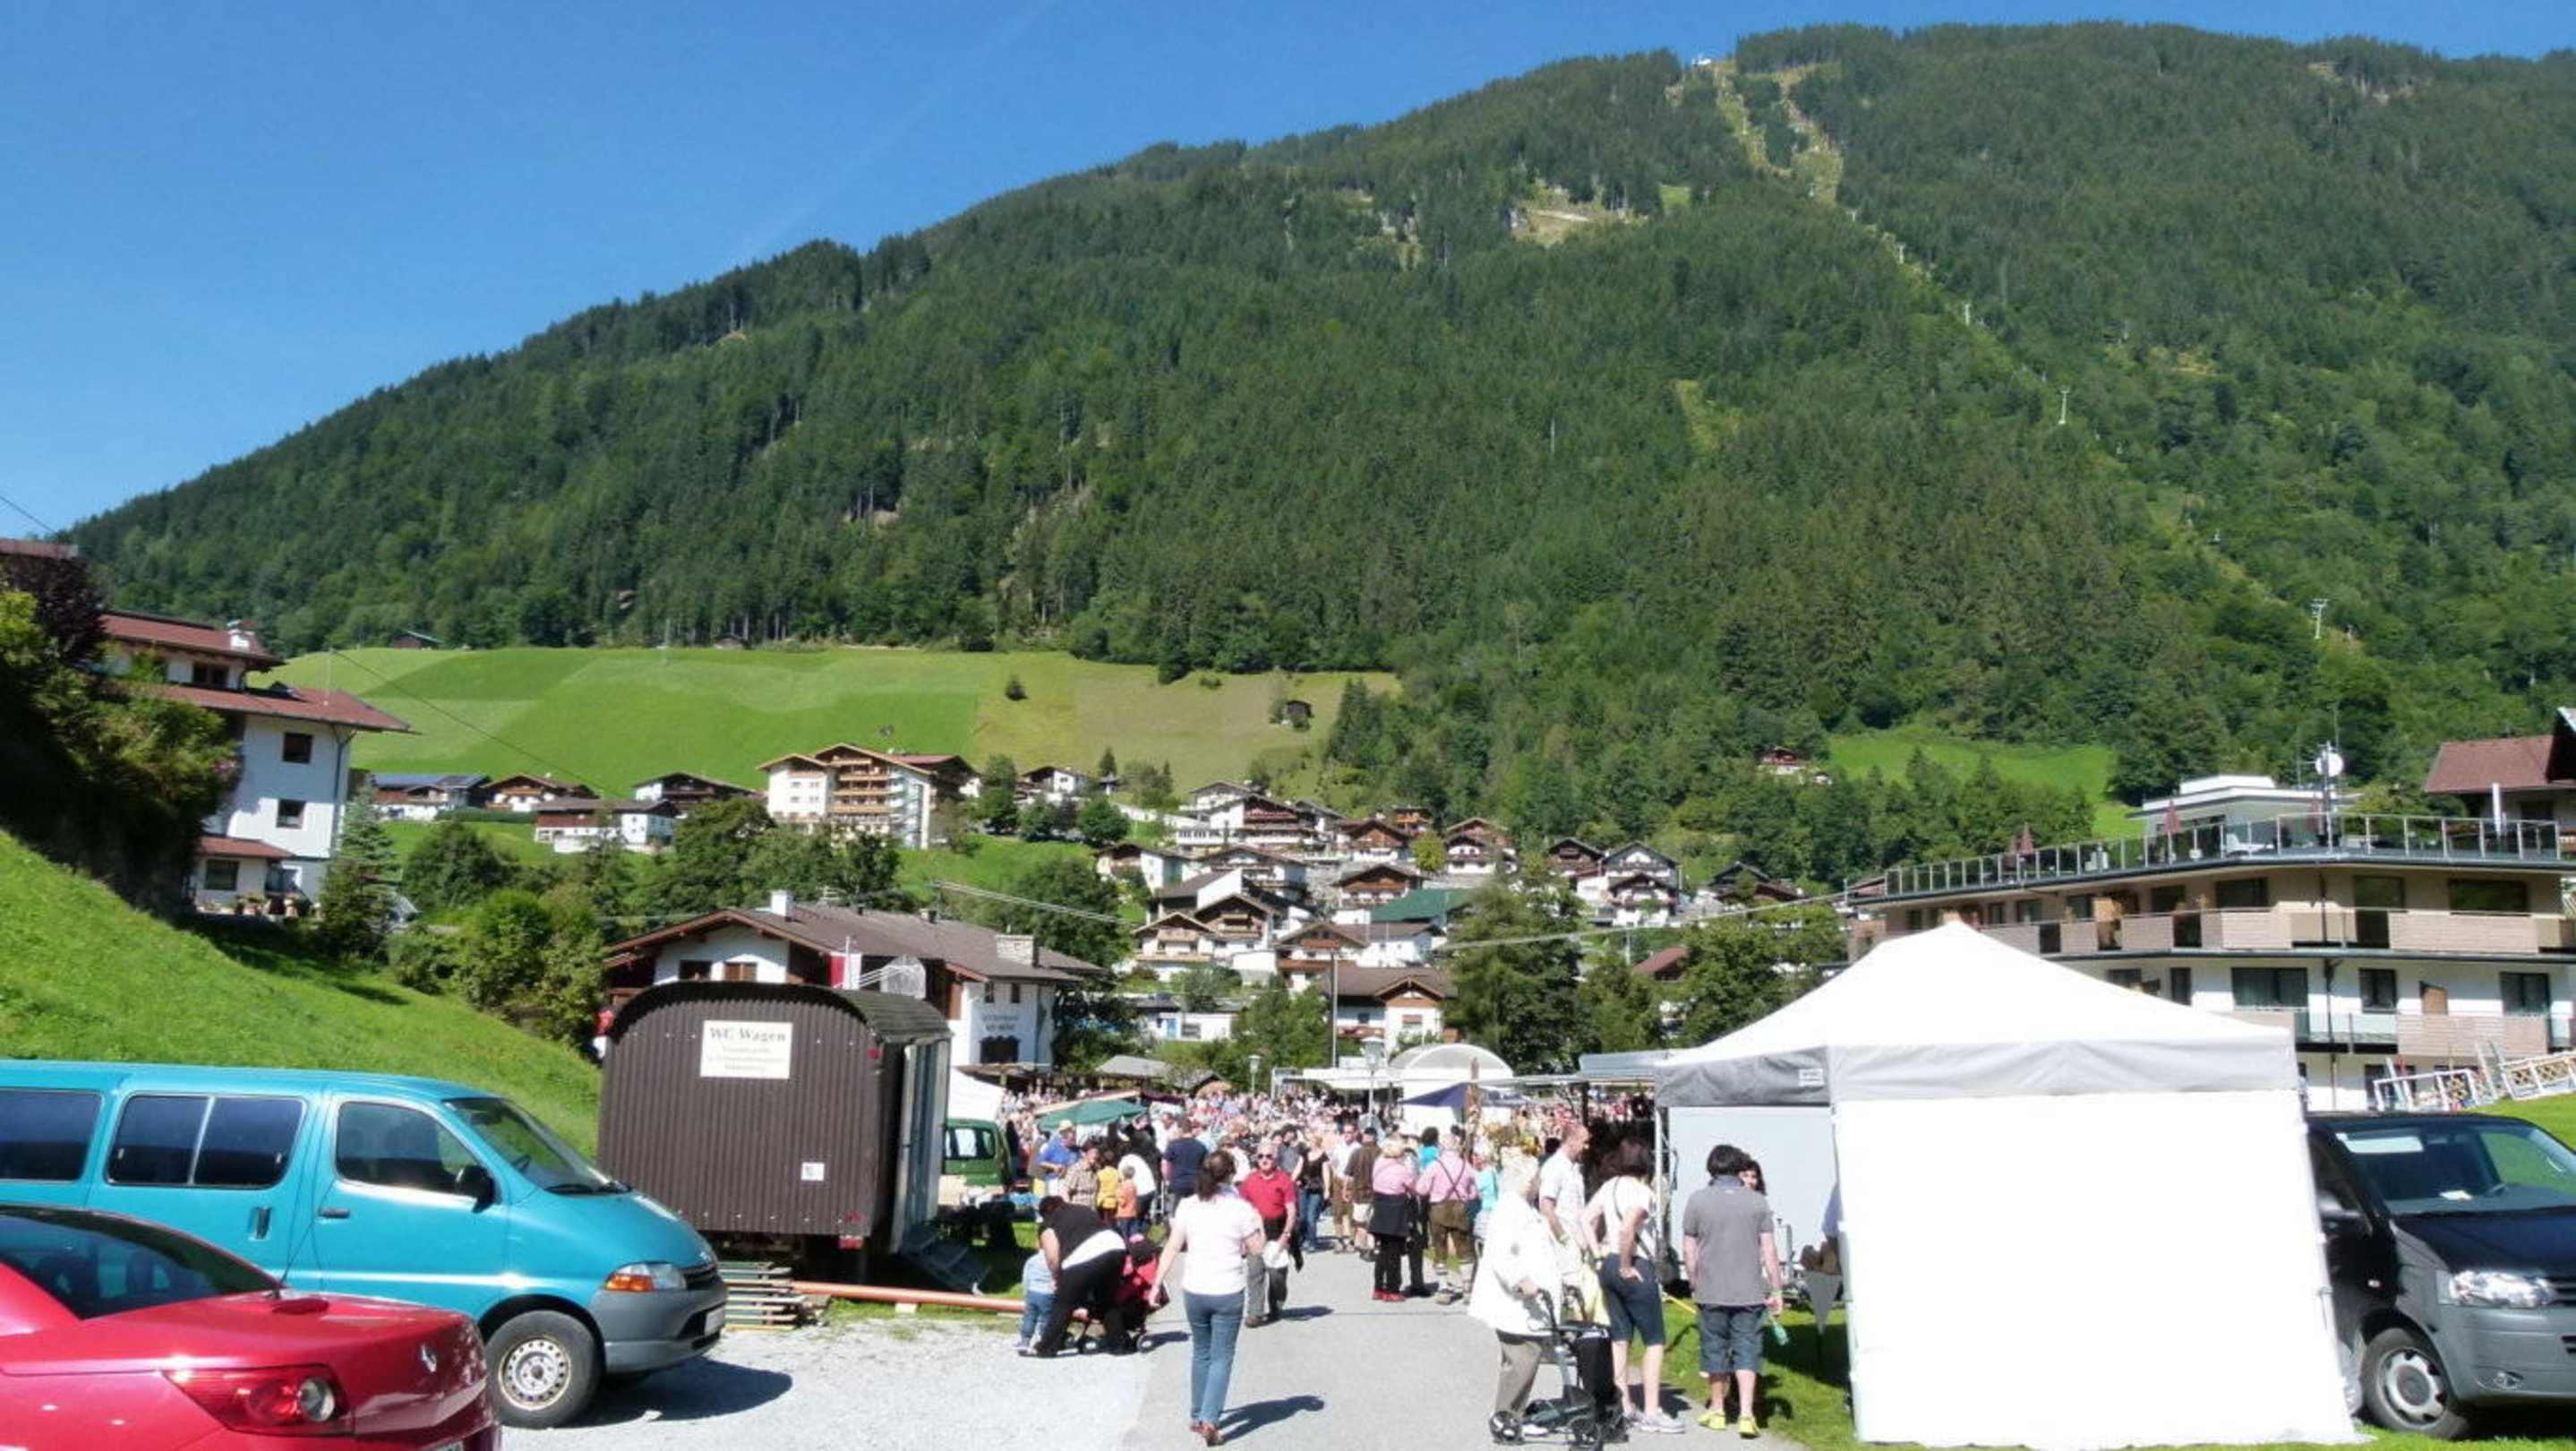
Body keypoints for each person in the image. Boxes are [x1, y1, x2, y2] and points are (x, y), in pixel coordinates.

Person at [1154, 1149, 1266, 1446]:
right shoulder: (1240, 1208)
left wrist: (1156, 1283)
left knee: (1201, 1351)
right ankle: (1210, 1419)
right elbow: (1256, 1249)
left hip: (1195, 1288)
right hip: (1227, 1288)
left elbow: (1172, 1246)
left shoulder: (1189, 1205)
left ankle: (1196, 1413)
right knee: (1222, 1356)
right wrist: (1259, 1223)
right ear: (1230, 1175)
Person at [1681, 1145, 1784, 1438]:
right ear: (1738, 1169)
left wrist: (1693, 1280)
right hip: (1749, 1291)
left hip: (1711, 1289)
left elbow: (1689, 1250)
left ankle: (1717, 1409)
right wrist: (1777, 1289)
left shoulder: (1697, 1200)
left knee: (1714, 1349)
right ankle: (1747, 1413)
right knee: (1748, 1350)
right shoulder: (1757, 1202)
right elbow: (1769, 1250)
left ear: (1711, 1168)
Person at [1468, 1153, 1562, 1445]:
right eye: (1536, 1179)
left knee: (1526, 1358)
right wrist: (1520, 1280)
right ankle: (1507, 1417)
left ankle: (1514, 1414)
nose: (1539, 1184)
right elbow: (1500, 1253)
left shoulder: (1521, 1208)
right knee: (1522, 1358)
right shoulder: (1509, 1209)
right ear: (1527, 1181)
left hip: (1527, 1303)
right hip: (1515, 1301)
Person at [1587, 1138, 1679, 1433]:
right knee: (1654, 1339)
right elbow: (1628, 1228)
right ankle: (1651, 1410)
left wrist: (1597, 1253)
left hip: (1608, 1262)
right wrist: (1627, 1265)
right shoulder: (1642, 1192)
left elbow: (1585, 1218)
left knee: (1620, 1336)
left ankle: (1624, 1404)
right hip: (1634, 1263)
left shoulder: (1610, 1186)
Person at [1032, 1196, 1127, 1357]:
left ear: (1045, 1212)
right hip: (1116, 1246)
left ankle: (1046, 1348)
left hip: (1084, 1254)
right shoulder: (1083, 1209)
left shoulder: (1048, 1223)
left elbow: (1052, 1257)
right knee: (1107, 1300)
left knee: (1063, 1303)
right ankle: (1119, 1346)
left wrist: (1056, 1277)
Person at [1237, 1146, 1300, 1325]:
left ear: (1276, 1159)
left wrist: (1286, 1235)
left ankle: (1276, 1305)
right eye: (1260, 1156)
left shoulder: (1284, 1180)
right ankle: (1255, 1313)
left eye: (1269, 1156)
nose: (1264, 1159)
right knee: (1255, 1273)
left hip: (1278, 1229)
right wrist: (1241, 1237)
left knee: (1276, 1275)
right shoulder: (1249, 1180)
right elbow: (1241, 1210)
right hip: (1255, 1231)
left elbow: (1291, 1210)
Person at [1420, 1127, 1479, 1303]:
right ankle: (1467, 1288)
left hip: (1439, 1208)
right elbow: (1475, 1191)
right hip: (1460, 1208)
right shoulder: (1466, 1166)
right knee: (1465, 1247)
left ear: (1441, 1147)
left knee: (1440, 1247)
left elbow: (1421, 1189)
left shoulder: (1434, 1166)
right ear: (1457, 1147)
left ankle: (1444, 1288)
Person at [1368, 1132, 1422, 1301]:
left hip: (1380, 1207)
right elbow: (1415, 1189)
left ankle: (1378, 1288)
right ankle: (1392, 1290)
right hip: (1395, 1210)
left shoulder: (1378, 1163)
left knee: (1382, 1251)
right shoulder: (1401, 1170)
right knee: (1394, 1252)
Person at [1016, 1234, 1057, 1354]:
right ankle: (1042, 1342)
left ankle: (1024, 1342)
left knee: (1029, 1318)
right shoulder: (1054, 1261)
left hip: (1032, 1292)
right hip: (1048, 1294)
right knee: (1045, 1319)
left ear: (1037, 1245)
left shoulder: (1032, 1260)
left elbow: (1026, 1277)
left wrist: (1026, 1292)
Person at [1117, 1136, 1158, 1240]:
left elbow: (1121, 1180)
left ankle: (1132, 1242)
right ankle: (1142, 1240)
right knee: (1141, 1218)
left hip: (1141, 1192)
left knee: (1132, 1221)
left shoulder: (1124, 1162)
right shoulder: (1136, 1158)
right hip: (1151, 1190)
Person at [1294, 1129, 1329, 1252]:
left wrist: (1327, 1190)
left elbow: (1326, 1173)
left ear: (1316, 1141)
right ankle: (1303, 1238)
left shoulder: (1323, 1156)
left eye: (1311, 1141)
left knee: (1311, 1216)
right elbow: (1298, 1169)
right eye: (1309, 1141)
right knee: (1302, 1217)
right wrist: (1290, 1181)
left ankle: (1312, 1241)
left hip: (1316, 1188)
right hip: (1303, 1187)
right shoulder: (1304, 1154)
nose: (1309, 1143)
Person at [1348, 1128, 1379, 1257]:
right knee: (1373, 1221)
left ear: (1365, 1137)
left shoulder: (1357, 1153)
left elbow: (1349, 1175)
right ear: (1375, 1137)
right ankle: (1372, 1246)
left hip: (1360, 1192)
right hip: (1378, 1193)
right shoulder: (1381, 1153)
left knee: (1361, 1223)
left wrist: (1346, 1190)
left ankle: (1364, 1248)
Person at [1165, 1119, 1211, 1202]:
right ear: (1191, 1129)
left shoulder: (1173, 1145)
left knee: (1176, 1207)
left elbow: (1165, 1164)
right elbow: (1206, 1166)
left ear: (1180, 1129)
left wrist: (1167, 1179)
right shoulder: (1201, 1146)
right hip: (1195, 1184)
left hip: (1177, 1183)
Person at [1035, 1125, 1078, 1197]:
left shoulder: (1076, 1150)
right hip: (1054, 1181)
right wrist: (1054, 1166)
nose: (1074, 1142)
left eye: (1074, 1139)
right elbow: (1039, 1161)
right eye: (1071, 1140)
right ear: (1064, 1139)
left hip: (1070, 1182)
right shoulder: (1054, 1147)